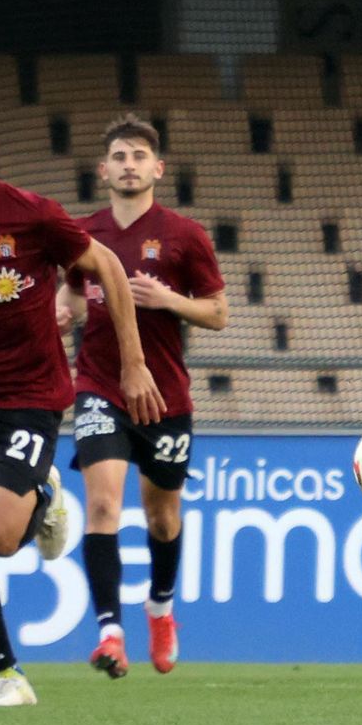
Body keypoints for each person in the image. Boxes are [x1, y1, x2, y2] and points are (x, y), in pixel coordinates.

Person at [0, 98, 164, 707]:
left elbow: (110, 270)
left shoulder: (35, 216)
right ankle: (8, 674)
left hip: (32, 399)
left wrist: (133, 362)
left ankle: (43, 494)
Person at [56, 114, 227, 679]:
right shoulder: (82, 236)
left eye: (139, 156)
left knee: (162, 518)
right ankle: (110, 634)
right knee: (103, 504)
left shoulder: (185, 235)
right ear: (102, 169)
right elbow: (73, 299)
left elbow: (219, 314)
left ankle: (160, 607)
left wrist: (168, 300)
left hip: (166, 397)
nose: (129, 165)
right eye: (119, 156)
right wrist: (63, 312)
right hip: (100, 386)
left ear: (158, 168)